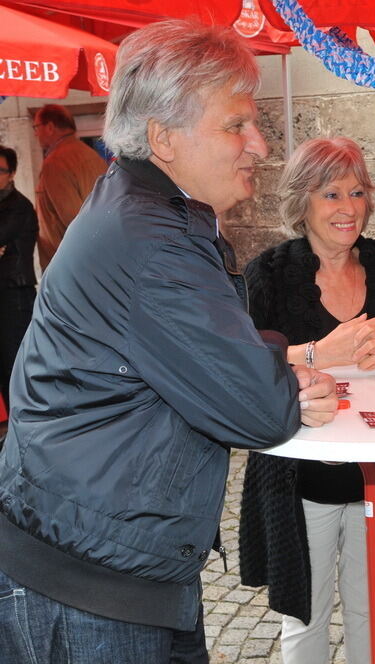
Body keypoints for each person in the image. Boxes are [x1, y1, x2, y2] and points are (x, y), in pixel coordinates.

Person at [0, 20, 339, 664]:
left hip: (102, 559)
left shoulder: (140, 206)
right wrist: (279, 379)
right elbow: (257, 407)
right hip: (90, 581)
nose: (259, 146)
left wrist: (269, 367)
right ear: (163, 137)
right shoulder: (154, 238)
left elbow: (198, 348)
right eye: (235, 125)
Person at [238, 136, 375, 664]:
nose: (348, 208)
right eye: (331, 194)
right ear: (302, 202)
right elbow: (242, 365)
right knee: (305, 618)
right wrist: (318, 352)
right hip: (302, 478)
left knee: (371, 613)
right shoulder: (267, 274)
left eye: (357, 193)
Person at [32, 103, 108, 269]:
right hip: (97, 258)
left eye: (36, 127)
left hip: (69, 265)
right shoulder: (91, 156)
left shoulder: (56, 162)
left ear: (50, 127)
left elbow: (71, 219)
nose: (35, 133)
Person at [0, 145, 37, 423]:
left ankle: (24, 430)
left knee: (16, 369)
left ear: (11, 173)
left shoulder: (18, 205)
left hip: (15, 297)